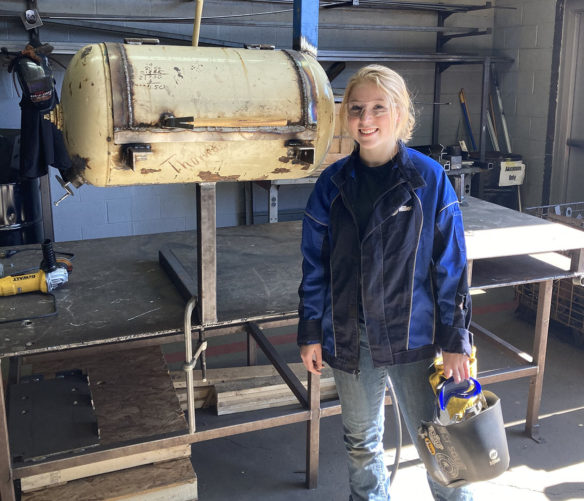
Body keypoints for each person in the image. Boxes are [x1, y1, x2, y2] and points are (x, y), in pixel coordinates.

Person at [297, 65, 474, 501]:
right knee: (361, 444)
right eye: (356, 108)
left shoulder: (428, 179)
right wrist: (310, 331)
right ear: (345, 116)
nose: (365, 118)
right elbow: (315, 264)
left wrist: (455, 340)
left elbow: (450, 267)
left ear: (400, 114)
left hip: (416, 336)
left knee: (441, 442)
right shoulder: (332, 184)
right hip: (350, 336)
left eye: (379, 107)